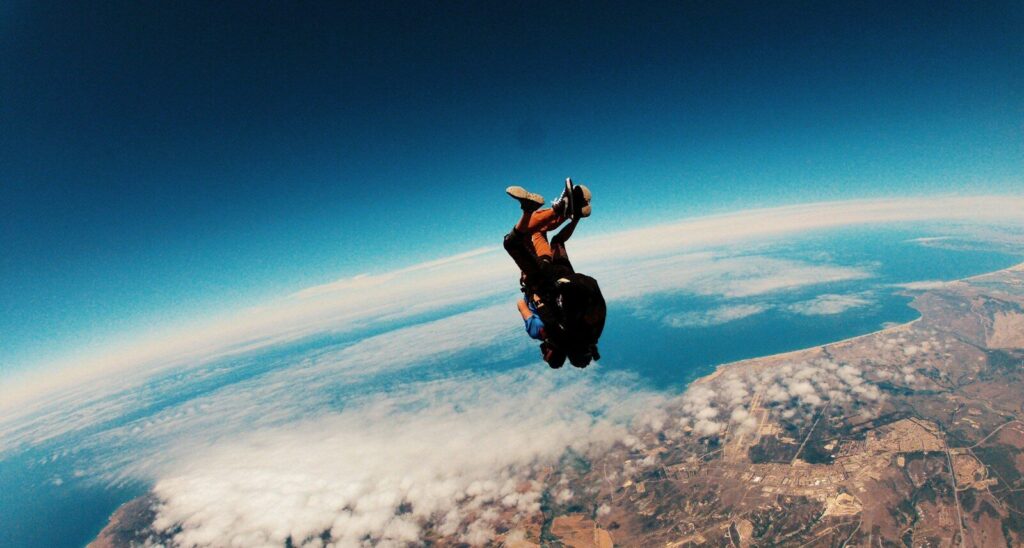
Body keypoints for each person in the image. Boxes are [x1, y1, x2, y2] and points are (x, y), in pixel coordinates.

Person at [503, 179, 606, 369]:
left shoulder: (591, 333)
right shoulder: (543, 332)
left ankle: (573, 216)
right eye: (546, 354)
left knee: (552, 239)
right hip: (542, 280)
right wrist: (533, 300)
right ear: (553, 352)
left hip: (567, 276)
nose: (543, 351)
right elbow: (521, 305)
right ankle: (543, 209)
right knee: (515, 241)